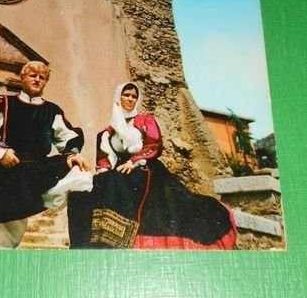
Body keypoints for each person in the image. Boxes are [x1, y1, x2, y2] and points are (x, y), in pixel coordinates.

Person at [68, 82, 236, 249]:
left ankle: (128, 239)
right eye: (126, 95)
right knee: (93, 187)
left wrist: (133, 161)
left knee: (128, 182)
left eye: (134, 96)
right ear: (118, 97)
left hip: (144, 166)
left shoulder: (145, 120)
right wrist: (104, 171)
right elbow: (104, 158)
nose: (130, 99)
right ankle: (93, 241)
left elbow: (153, 145)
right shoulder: (108, 131)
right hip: (120, 169)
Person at [0, 61, 92, 249]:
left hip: (38, 170)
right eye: (32, 75)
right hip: (9, 169)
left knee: (81, 176)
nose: (37, 79)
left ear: (45, 82)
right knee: (8, 229)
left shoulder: (52, 110)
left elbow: (68, 135)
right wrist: (0, 151)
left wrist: (71, 154)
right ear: (22, 78)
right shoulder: (6, 104)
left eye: (41, 77)